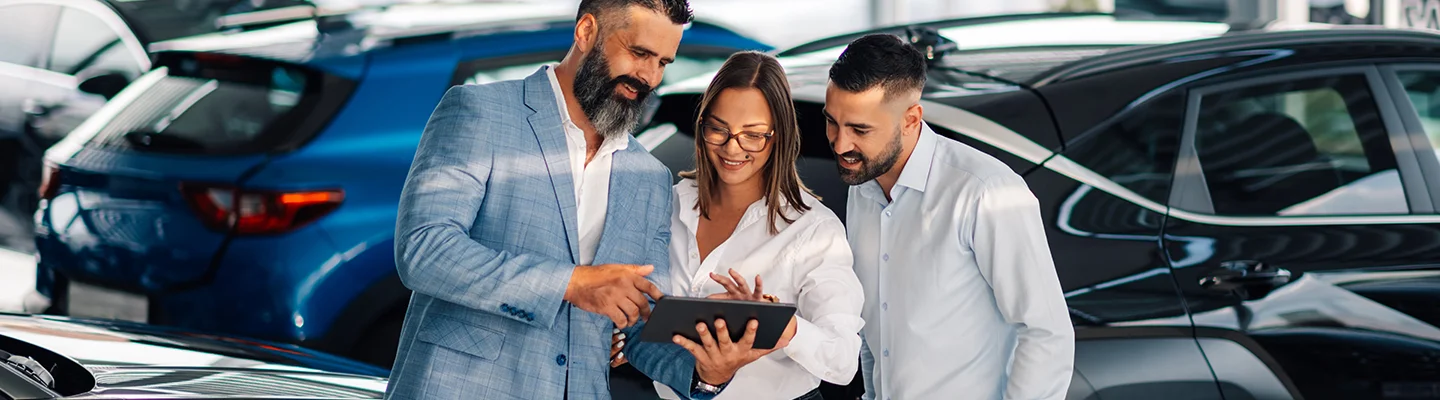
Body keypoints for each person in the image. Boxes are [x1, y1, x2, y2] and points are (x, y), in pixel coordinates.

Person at [384, 1, 774, 399]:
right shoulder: (479, 112)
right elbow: (425, 250)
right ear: (586, 32)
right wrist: (572, 284)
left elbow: (637, 326)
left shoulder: (650, 179)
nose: (649, 76)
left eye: (663, 63)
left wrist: (710, 363)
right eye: (639, 53)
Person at [822, 34, 1076, 399]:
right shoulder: (862, 187)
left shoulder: (986, 191)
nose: (841, 144)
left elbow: (1046, 332)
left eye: (860, 130)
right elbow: (876, 331)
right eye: (832, 122)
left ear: (911, 119)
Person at [610, 51, 863, 400]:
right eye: (719, 129)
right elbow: (632, 308)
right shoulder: (664, 205)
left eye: (753, 135)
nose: (733, 148)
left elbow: (843, 359)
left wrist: (781, 325)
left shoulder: (814, 231)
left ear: (778, 137)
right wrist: (617, 336)